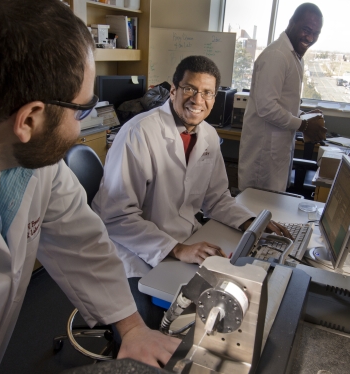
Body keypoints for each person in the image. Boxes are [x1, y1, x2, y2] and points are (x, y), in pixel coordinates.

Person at [0, 1, 179, 372]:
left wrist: (133, 328)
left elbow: (82, 241)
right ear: (29, 119)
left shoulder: (37, 166)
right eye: (81, 111)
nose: (79, 129)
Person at [92, 55, 292, 329]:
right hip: (132, 251)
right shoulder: (139, 133)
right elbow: (115, 217)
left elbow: (217, 198)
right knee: (152, 322)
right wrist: (176, 249)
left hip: (185, 241)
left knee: (223, 300)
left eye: (207, 92)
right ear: (173, 90)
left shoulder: (208, 135)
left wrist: (253, 224)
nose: (198, 100)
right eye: (190, 89)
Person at [238, 3, 327, 193]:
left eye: (316, 33)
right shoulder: (277, 55)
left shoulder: (293, 55)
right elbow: (266, 107)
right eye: (306, 29)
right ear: (292, 23)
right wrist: (303, 125)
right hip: (263, 155)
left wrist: (304, 115)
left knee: (271, 210)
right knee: (257, 213)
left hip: (276, 152)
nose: (310, 38)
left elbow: (282, 102)